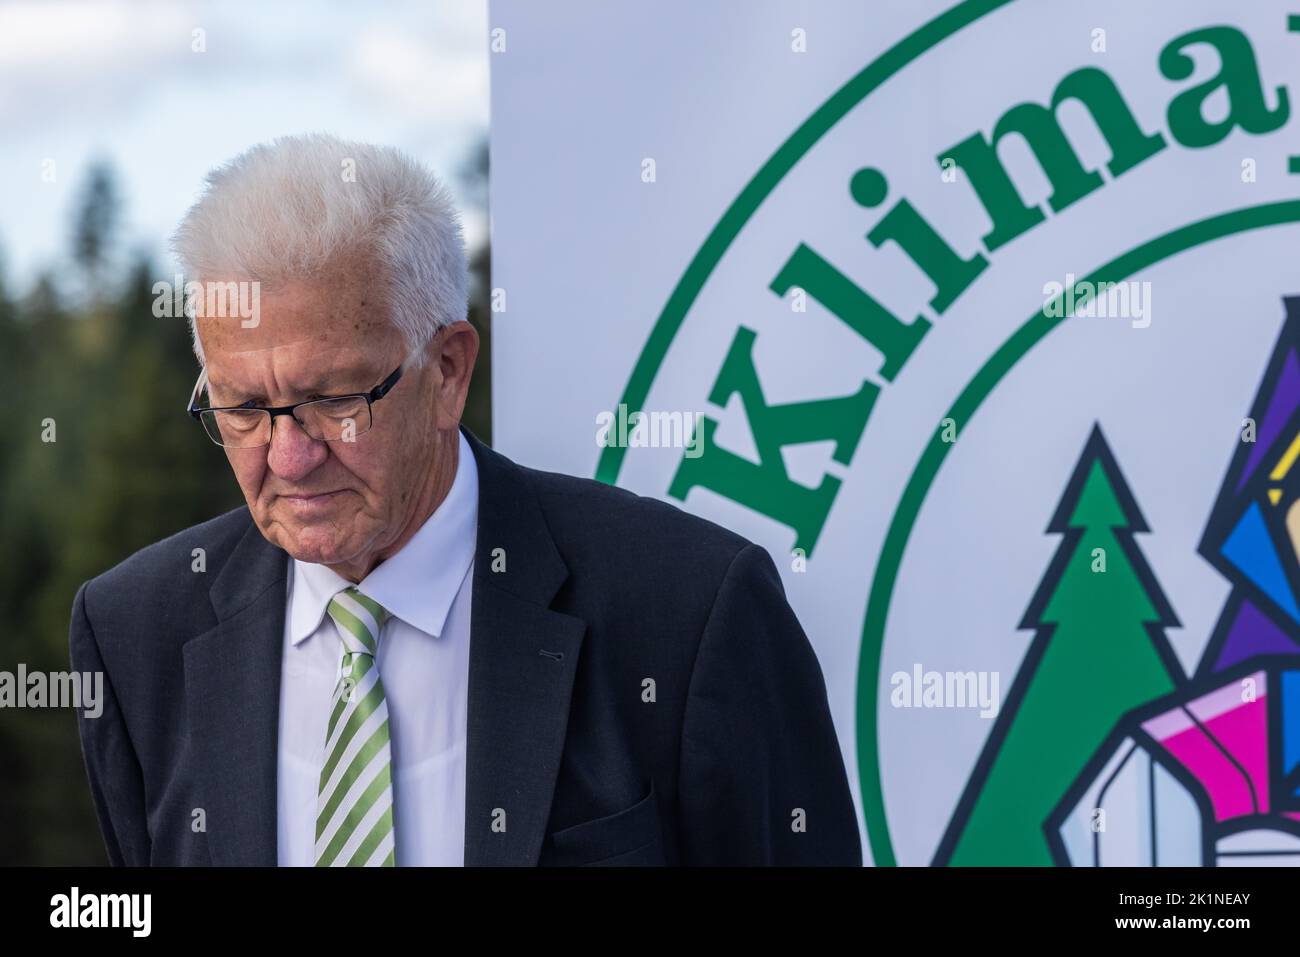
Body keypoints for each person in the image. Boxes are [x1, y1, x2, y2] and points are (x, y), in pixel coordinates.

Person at [68, 133, 861, 867]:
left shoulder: (689, 613)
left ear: (447, 369)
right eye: (242, 408)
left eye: (336, 399)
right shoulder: (137, 633)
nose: (290, 456)